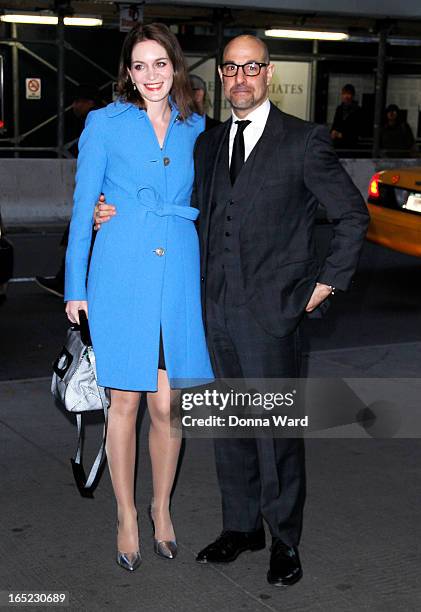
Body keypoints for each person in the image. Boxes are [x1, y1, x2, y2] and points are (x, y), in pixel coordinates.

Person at [94, 35, 369, 586]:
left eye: (252, 67)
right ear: (220, 76)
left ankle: (284, 540)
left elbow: (352, 216)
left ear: (269, 74)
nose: (240, 77)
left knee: (275, 433)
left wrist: (324, 286)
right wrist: (114, 212)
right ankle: (242, 527)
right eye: (230, 68)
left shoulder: (304, 141)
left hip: (274, 313)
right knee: (230, 428)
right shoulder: (209, 142)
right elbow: (179, 203)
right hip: (211, 311)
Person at [64, 23, 213, 572]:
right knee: (123, 404)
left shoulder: (198, 128)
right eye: (140, 65)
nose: (151, 75)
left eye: (161, 64)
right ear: (127, 72)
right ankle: (126, 512)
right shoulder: (104, 124)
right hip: (120, 272)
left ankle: (161, 508)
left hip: (177, 271)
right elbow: (84, 209)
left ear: (175, 67)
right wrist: (75, 287)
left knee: (166, 405)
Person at [36, 85, 105, 298]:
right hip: (99, 195)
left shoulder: (98, 121)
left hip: (101, 196)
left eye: (78, 102)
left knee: (83, 233)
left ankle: (67, 282)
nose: (75, 106)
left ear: (89, 103)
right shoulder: (99, 120)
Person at [330, 83, 362, 150]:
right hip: (338, 144)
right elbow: (335, 124)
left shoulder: (358, 110)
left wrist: (342, 135)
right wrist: (333, 132)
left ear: (352, 96)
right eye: (344, 94)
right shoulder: (339, 109)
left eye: (348, 94)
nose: (346, 96)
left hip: (351, 145)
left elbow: (358, 130)